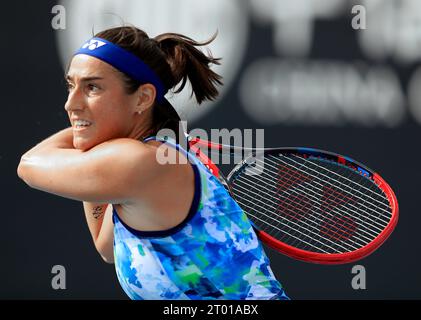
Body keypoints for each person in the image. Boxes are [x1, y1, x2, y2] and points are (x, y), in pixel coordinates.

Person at [17, 25, 289, 300]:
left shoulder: (140, 163)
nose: (70, 104)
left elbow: (28, 165)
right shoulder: (151, 161)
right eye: (71, 85)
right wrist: (90, 131)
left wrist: (89, 132)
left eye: (92, 87)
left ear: (143, 98)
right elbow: (106, 245)